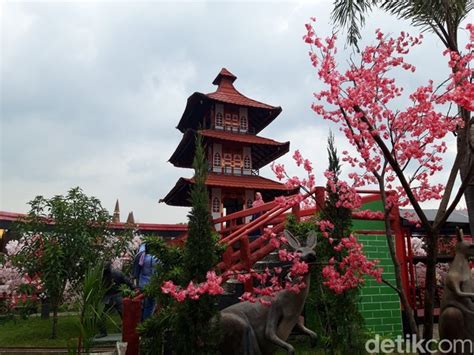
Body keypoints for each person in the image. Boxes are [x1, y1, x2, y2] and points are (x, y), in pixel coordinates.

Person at [98, 263, 134, 337]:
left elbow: (127, 281)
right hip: (107, 296)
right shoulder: (101, 275)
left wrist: (133, 288)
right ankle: (103, 332)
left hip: (116, 295)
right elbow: (127, 281)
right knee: (100, 314)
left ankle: (128, 331)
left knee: (124, 314)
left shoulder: (116, 273)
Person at [134, 243, 158, 321]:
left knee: (143, 304)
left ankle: (142, 321)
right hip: (151, 285)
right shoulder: (154, 258)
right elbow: (155, 272)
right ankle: (146, 322)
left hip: (142, 284)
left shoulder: (142, 257)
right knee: (150, 304)